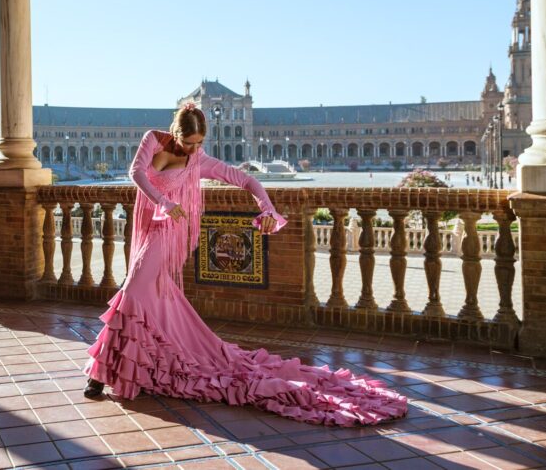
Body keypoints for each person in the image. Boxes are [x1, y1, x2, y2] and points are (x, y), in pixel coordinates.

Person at [83, 104, 407, 426]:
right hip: (155, 220)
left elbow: (246, 180)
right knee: (145, 295)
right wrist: (165, 203)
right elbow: (136, 173)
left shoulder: (201, 161)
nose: (194, 149)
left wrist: (266, 208)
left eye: (199, 143)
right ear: (175, 132)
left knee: (134, 290)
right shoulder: (152, 140)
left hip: (170, 231)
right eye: (188, 142)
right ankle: (133, 367)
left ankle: (101, 373)